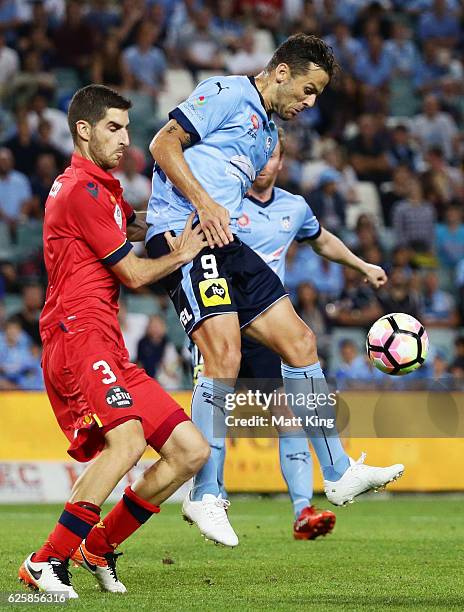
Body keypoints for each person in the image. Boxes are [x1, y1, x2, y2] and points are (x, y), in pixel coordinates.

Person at [145, 35, 404, 548]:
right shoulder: (224, 91)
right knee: (224, 353)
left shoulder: (266, 136)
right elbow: (162, 144)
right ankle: (206, 493)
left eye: (318, 96)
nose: (309, 103)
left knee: (302, 343)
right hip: (188, 234)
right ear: (281, 72)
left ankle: (338, 471)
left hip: (226, 240)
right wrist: (202, 204)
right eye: (309, 90)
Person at [18, 84, 209, 598]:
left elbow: (127, 229)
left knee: (190, 451)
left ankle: (97, 546)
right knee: (125, 442)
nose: (127, 138)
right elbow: (133, 273)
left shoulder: (102, 188)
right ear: (83, 130)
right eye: (113, 127)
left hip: (107, 342)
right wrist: (185, 250)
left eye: (127, 127)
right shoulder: (82, 189)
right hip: (78, 336)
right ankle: (45, 560)